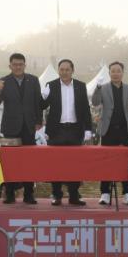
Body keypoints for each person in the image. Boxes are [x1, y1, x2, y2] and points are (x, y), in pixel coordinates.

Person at [0, 53, 43, 204]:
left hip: (28, 126)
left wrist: (39, 120)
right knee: (10, 162)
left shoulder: (33, 80)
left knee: (29, 161)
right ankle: (10, 193)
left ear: (25, 65)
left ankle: (29, 193)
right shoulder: (3, 81)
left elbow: (38, 102)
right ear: (10, 66)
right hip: (10, 127)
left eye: (21, 64)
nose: (18, 67)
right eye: (15, 64)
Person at [41, 59, 91, 206]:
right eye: (61, 69)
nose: (64, 72)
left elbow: (86, 109)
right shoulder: (51, 85)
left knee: (75, 164)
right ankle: (56, 195)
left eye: (67, 69)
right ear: (58, 70)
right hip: (56, 131)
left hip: (75, 130)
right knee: (55, 163)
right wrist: (43, 96)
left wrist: (88, 129)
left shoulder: (81, 86)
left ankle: (74, 195)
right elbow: (42, 106)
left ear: (72, 70)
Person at [91, 61, 128, 205]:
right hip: (108, 130)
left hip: (125, 130)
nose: (116, 74)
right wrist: (97, 88)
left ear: (123, 72)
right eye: (113, 71)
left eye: (118, 71)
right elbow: (95, 103)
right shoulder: (103, 88)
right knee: (106, 162)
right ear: (109, 73)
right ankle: (105, 193)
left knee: (125, 163)